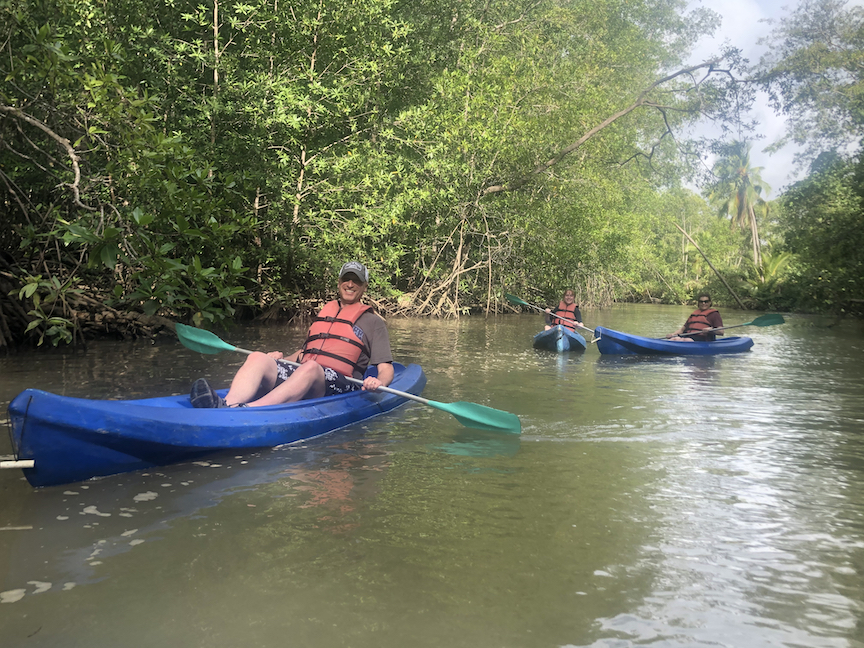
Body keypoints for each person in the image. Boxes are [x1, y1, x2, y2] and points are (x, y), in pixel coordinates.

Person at [190, 261, 394, 408]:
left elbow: (386, 368)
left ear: (364, 287)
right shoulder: (325, 313)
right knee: (258, 357)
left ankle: (250, 410)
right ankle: (228, 405)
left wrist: (379, 382)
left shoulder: (373, 322)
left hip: (342, 384)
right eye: (346, 279)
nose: (350, 284)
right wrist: (278, 361)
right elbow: (304, 354)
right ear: (339, 282)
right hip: (309, 371)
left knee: (312, 368)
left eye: (356, 281)